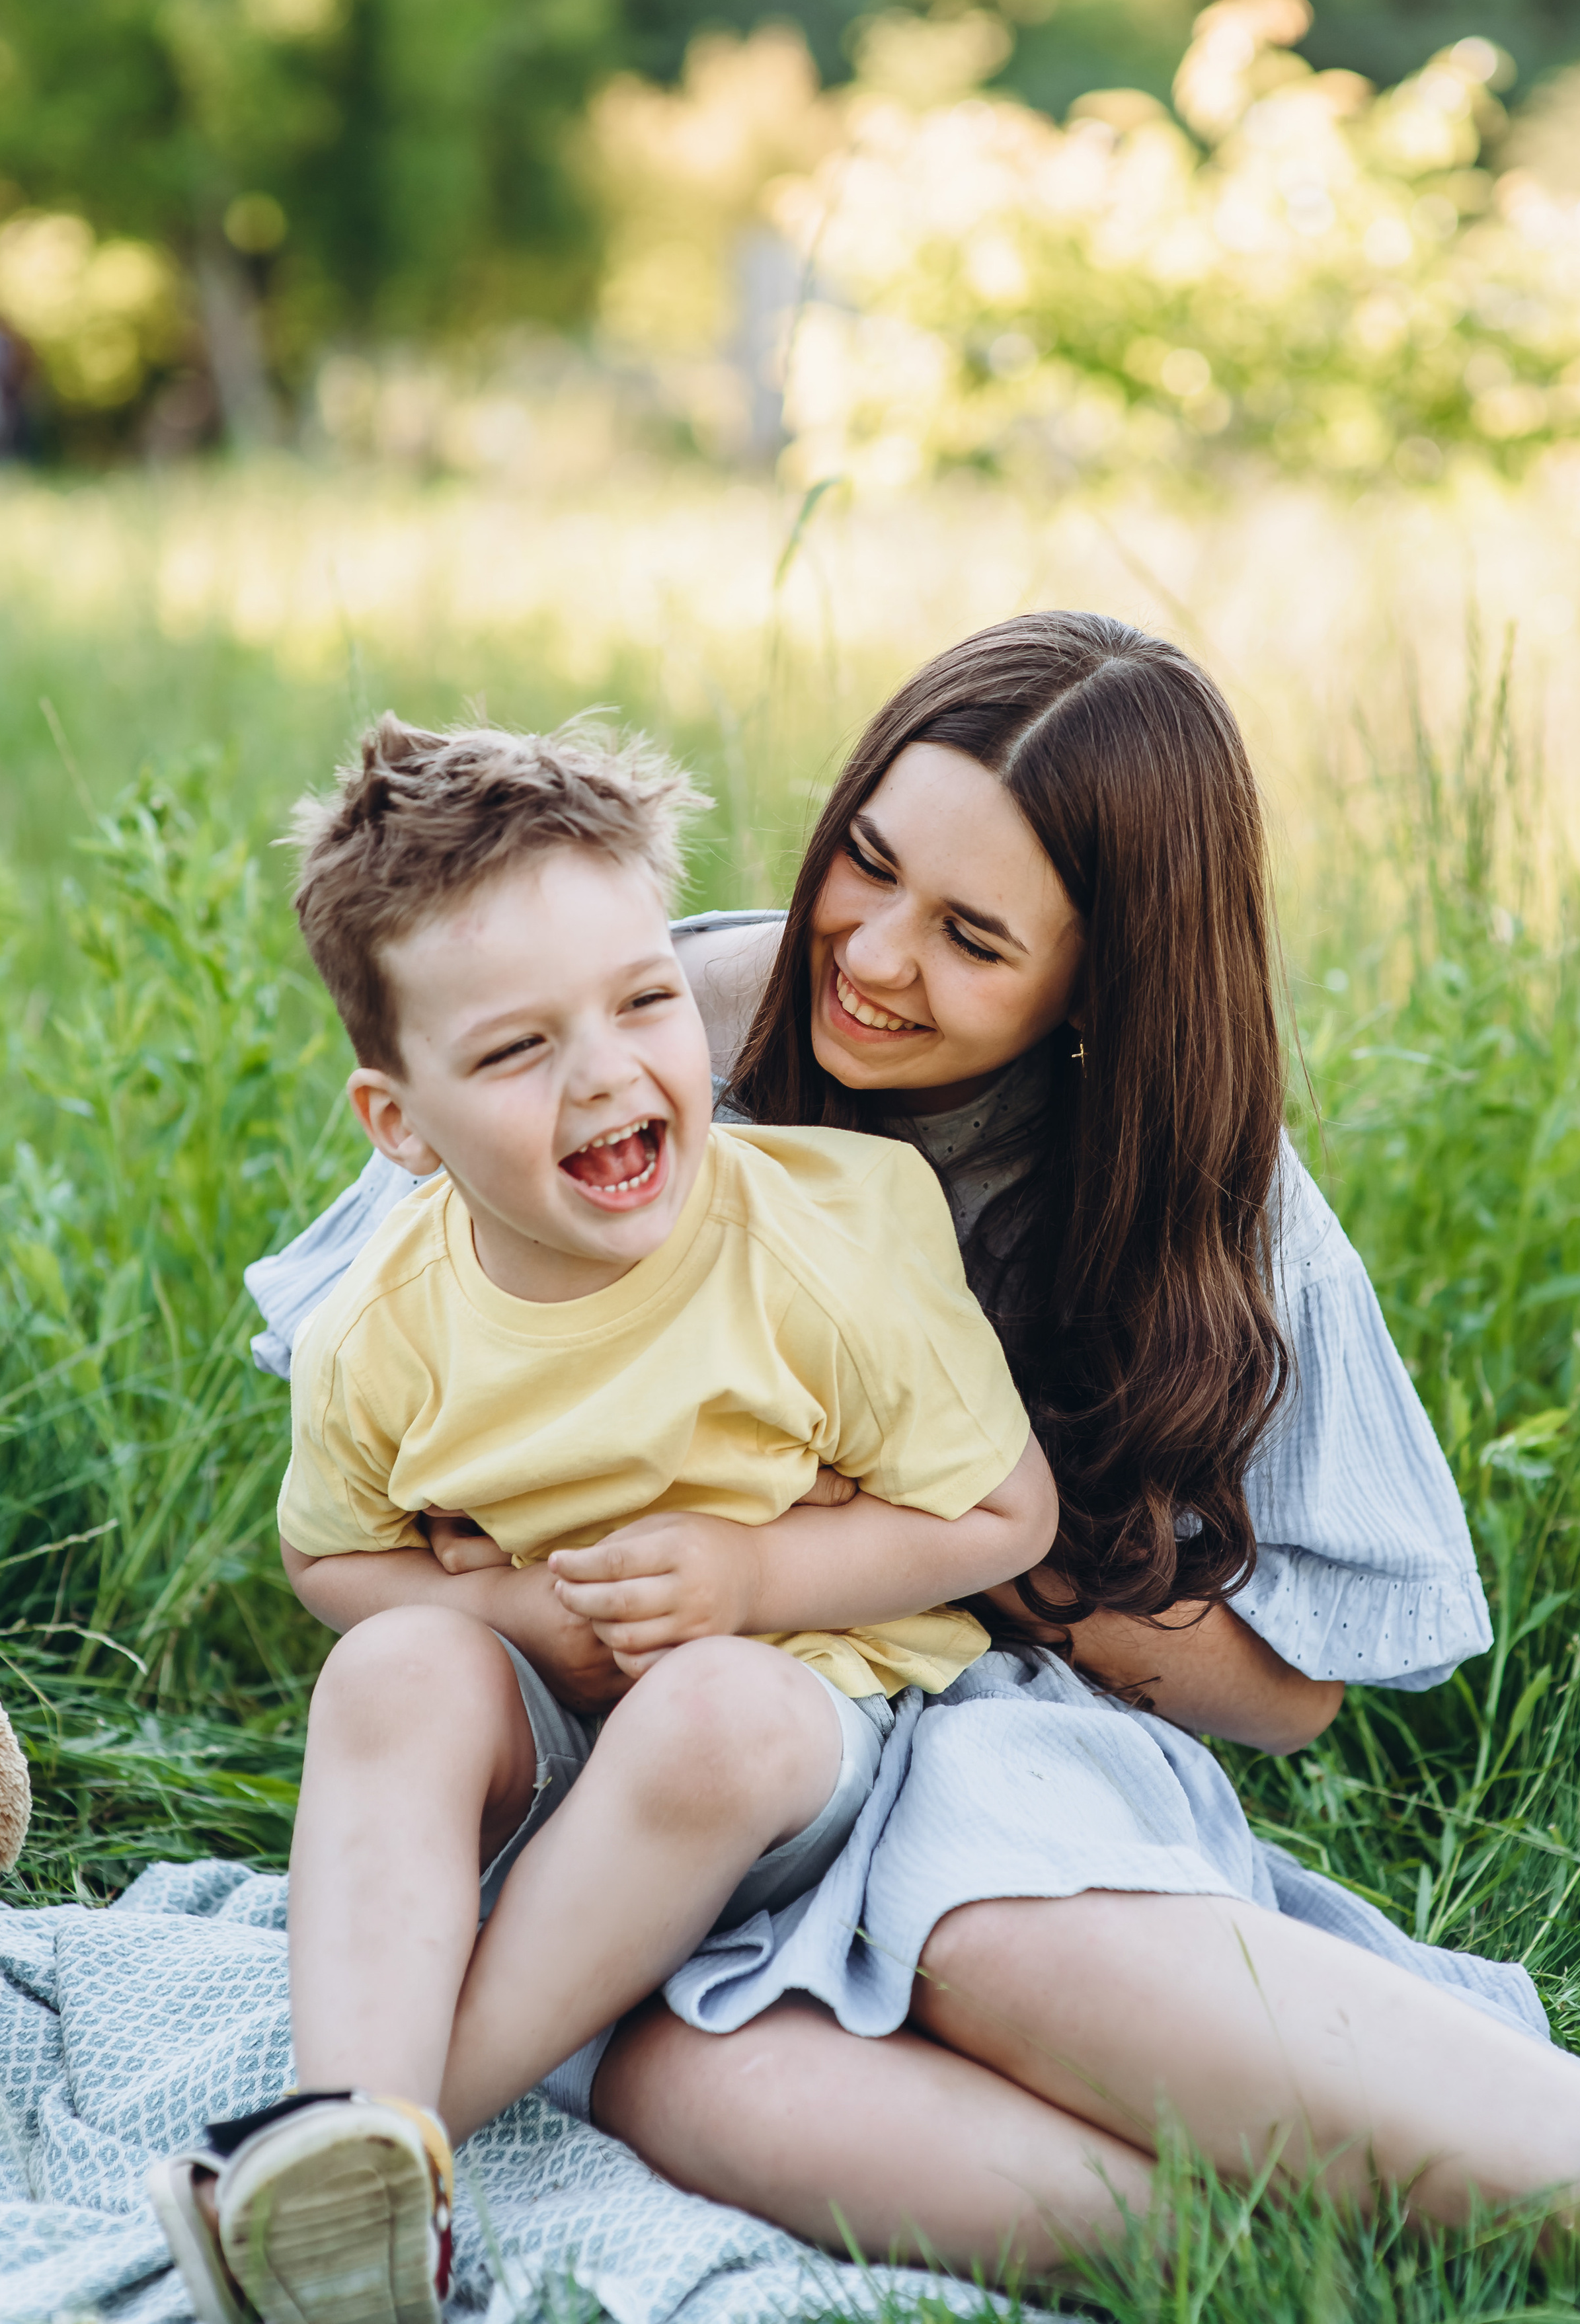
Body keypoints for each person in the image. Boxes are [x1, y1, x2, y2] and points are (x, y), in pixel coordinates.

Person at [247, 618, 1580, 2276]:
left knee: (977, 1933)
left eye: (973, 939)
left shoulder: (1201, 1189)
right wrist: (527, 1605)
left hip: (955, 1709)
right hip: (611, 1764)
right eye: (863, 864)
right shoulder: (655, 1009)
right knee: (671, 2081)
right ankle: (1305, 2256)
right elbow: (387, 1404)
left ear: (1098, 983)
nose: (868, 956)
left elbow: (1294, 1692)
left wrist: (891, 1541)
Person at [149, 715, 1056, 2324]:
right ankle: (350, 2168)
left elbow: (1001, 1510)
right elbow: (327, 1558)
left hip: (811, 1739)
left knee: (705, 1710)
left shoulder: (818, 1248)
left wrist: (753, 1572)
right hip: (564, 1761)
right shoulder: (387, 1324)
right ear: (400, 1126)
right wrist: (511, 1622)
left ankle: (367, 2145)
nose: (605, 1073)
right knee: (391, 1673)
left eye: (644, 1001)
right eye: (513, 1051)